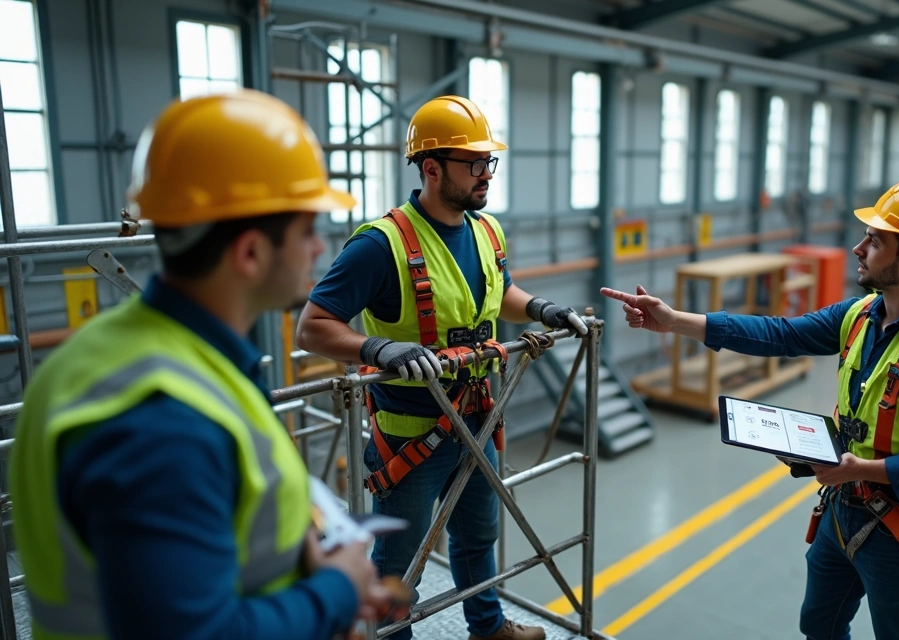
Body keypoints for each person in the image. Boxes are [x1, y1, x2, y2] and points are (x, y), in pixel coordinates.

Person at [8, 90, 393, 639]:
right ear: (251, 253)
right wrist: (337, 591)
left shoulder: (127, 352)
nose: (317, 248)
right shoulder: (158, 422)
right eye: (307, 229)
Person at [602, 178, 899, 640]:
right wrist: (674, 322)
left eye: (875, 240)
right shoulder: (862, 315)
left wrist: (861, 469)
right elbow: (780, 334)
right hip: (843, 511)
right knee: (820, 626)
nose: (857, 247)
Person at [296, 95, 586, 640]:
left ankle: (488, 626)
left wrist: (540, 308)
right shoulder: (380, 245)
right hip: (413, 437)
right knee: (398, 560)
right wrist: (377, 349)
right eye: (473, 164)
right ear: (431, 169)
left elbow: (493, 296)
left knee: (480, 536)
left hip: (479, 420)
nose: (486, 175)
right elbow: (313, 326)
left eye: (489, 162)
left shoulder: (487, 231)